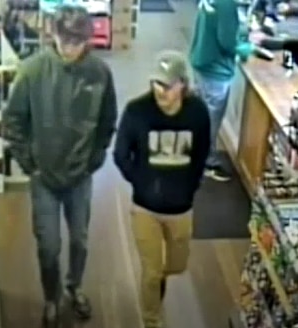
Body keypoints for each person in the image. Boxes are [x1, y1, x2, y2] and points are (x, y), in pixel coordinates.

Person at [2, 5, 117, 327]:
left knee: (80, 240)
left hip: (81, 175)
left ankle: (74, 287)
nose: (70, 48)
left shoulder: (99, 72)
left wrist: (95, 158)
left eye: (77, 42)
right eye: (65, 40)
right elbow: (13, 122)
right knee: (48, 246)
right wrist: (30, 165)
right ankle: (51, 297)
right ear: (52, 34)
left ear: (86, 39)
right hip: (44, 177)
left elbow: (108, 120)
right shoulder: (32, 70)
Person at [114, 50, 211, 328]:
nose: (159, 90)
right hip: (145, 208)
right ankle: (151, 321)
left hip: (181, 209)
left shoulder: (198, 113)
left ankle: (159, 285)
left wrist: (191, 185)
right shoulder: (136, 111)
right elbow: (121, 155)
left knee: (176, 266)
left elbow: (202, 152)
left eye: (166, 85)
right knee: (151, 271)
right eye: (156, 83)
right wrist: (141, 182)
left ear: (182, 84)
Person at [189, 0, 253, 182]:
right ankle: (207, 162)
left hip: (201, 60)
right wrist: (248, 48)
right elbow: (227, 43)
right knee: (211, 119)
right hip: (216, 70)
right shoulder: (227, 5)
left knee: (202, 114)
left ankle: (196, 155)